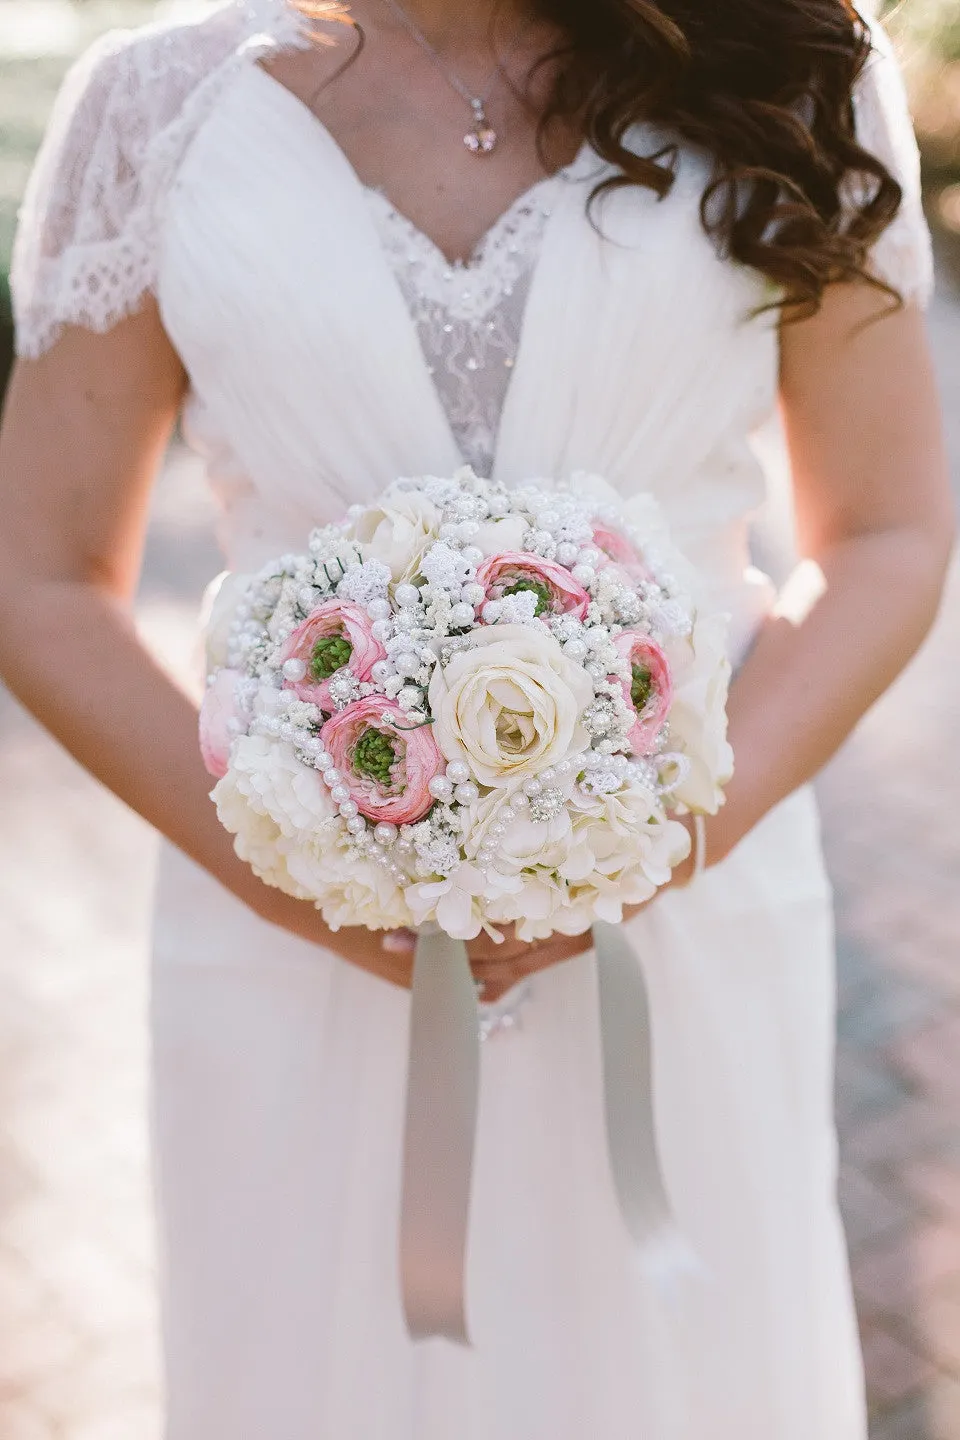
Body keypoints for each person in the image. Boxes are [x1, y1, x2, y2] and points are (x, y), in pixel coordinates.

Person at [0, 0, 953, 1433]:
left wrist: (659, 836)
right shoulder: (152, 109)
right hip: (288, 942)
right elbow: (43, 576)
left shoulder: (789, 62)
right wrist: (310, 885)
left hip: (693, 906)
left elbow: (885, 531)